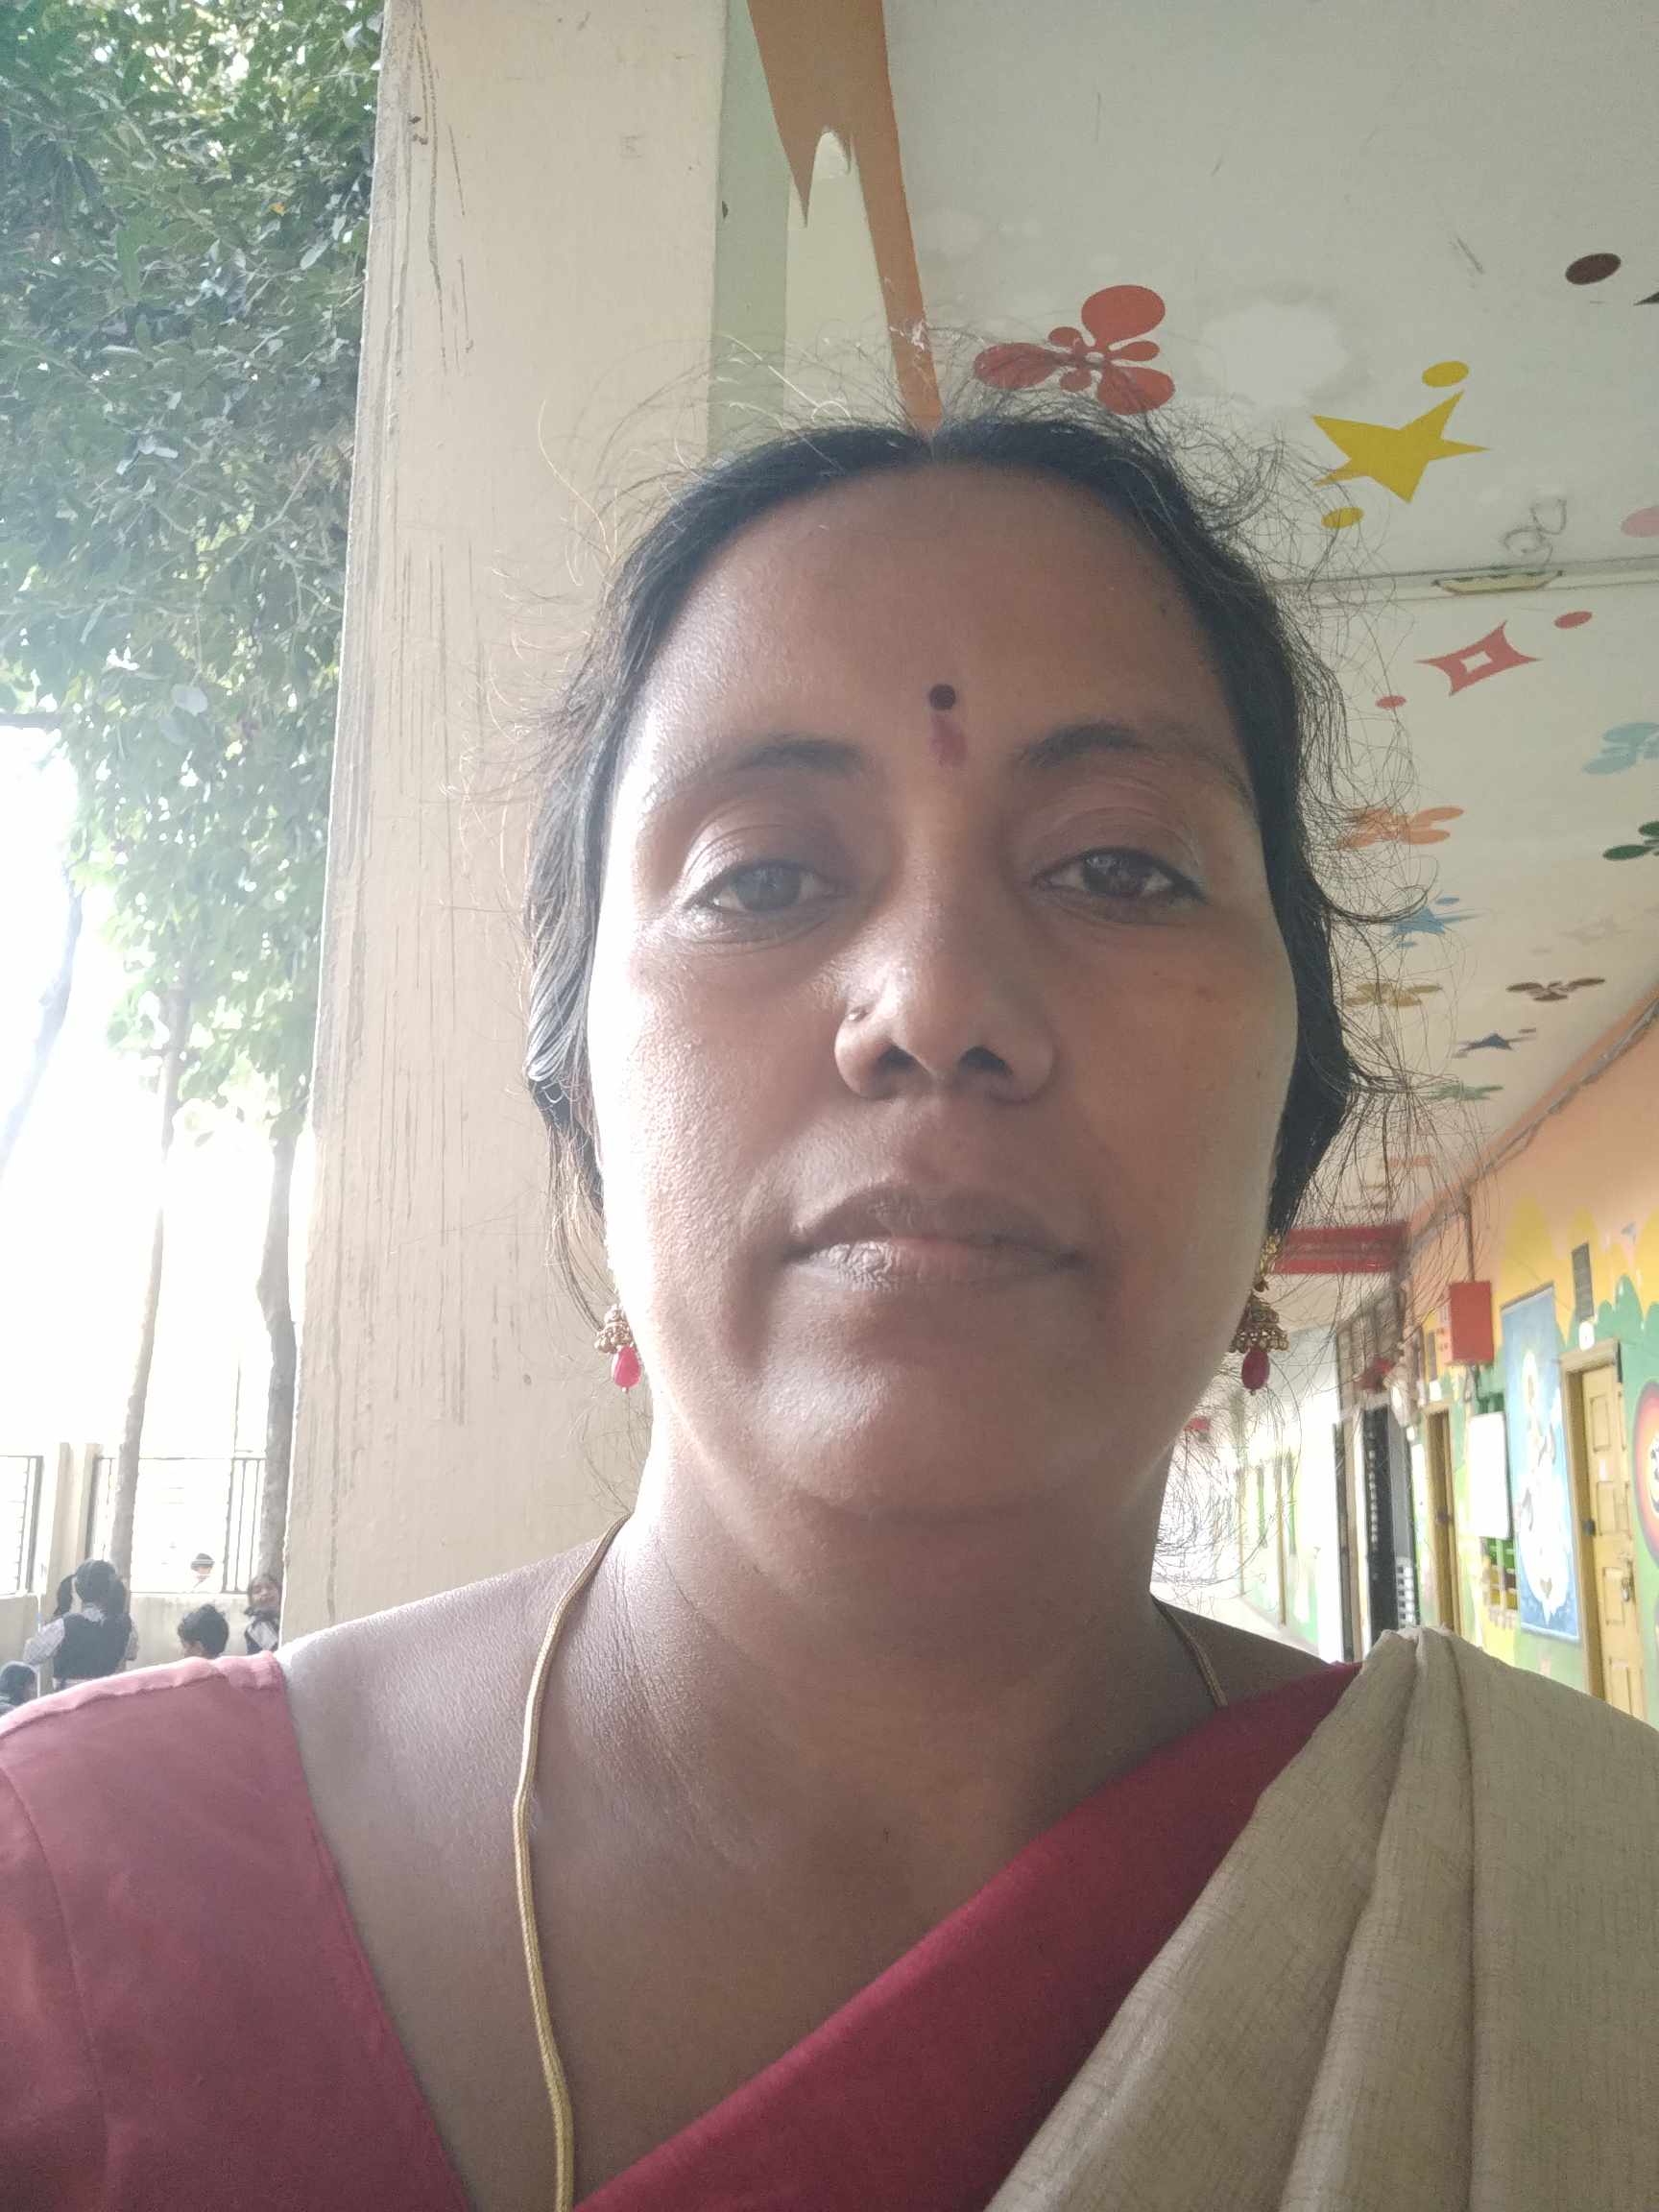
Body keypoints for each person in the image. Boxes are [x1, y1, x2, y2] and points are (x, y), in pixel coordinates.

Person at [2, 399, 1656, 2209]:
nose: (934, 1000)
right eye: (763, 877)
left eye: (1121, 866)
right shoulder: (64, 1919)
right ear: (581, 1096)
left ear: (1292, 1095)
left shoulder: (1568, 1924)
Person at [20, 1557, 137, 1689]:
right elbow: (131, 1654)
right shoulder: (127, 1624)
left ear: (79, 1590)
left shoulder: (64, 1626)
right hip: (107, 1696)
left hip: (70, 1698)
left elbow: (30, 1656)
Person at [244, 1573, 281, 1654]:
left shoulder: (280, 1618)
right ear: (251, 1600)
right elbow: (279, 1651)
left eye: (270, 1587)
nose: (265, 1593)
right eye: (257, 1591)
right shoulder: (256, 1624)